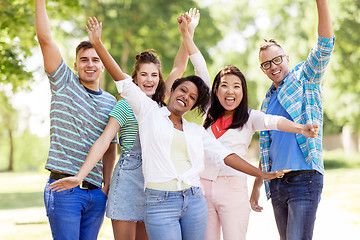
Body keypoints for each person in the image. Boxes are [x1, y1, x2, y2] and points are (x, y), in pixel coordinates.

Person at [50, 15, 289, 240]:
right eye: (143, 75)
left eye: (154, 75)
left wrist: (187, 34)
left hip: (159, 182)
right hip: (132, 177)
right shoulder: (139, 108)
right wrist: (98, 46)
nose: (149, 79)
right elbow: (105, 139)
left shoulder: (166, 110)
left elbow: (180, 67)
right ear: (136, 78)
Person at [178, 16, 319, 240]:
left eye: (236, 86)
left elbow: (274, 122)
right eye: (224, 86)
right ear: (215, 90)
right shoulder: (207, 112)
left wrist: (300, 128)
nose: (230, 91)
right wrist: (186, 34)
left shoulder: (250, 117)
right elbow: (200, 66)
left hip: (233, 190)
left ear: (243, 92)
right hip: (202, 189)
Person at [250, 0, 335, 239]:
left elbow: (324, 46)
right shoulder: (267, 100)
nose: (273, 66)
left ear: (286, 58)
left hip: (304, 177)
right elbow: (268, 148)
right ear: (263, 69)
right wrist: (257, 185)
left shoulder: (304, 78)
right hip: (277, 183)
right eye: (266, 64)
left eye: (277, 60)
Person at [35, 0, 118, 239]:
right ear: (75, 65)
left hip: (95, 194)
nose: (90, 64)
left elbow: (110, 147)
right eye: (84, 60)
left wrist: (106, 185)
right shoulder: (63, 82)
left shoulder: (111, 102)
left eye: (95, 60)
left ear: (102, 66)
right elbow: (45, 38)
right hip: (63, 190)